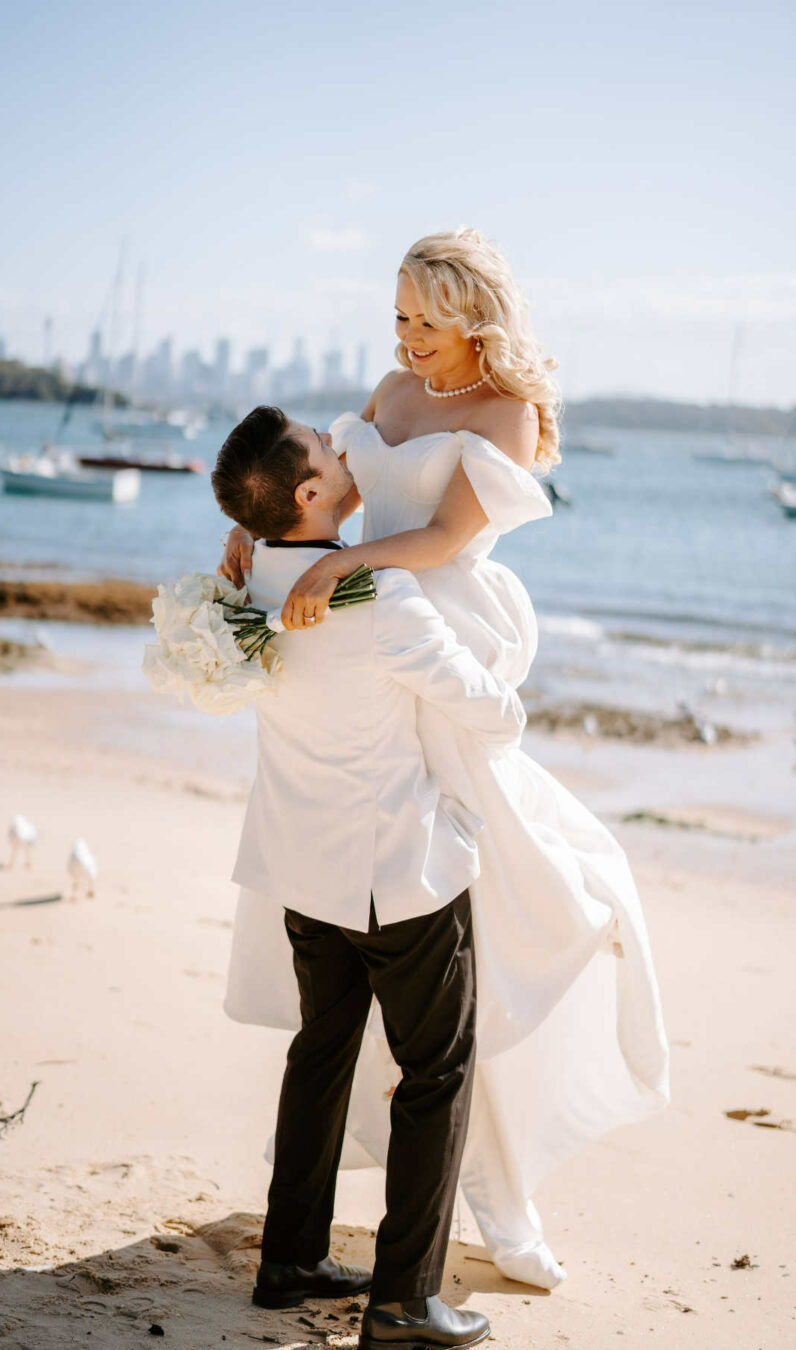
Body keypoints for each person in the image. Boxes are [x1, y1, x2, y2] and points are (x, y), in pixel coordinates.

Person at [220, 228, 670, 1291]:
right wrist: (264, 544)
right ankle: (384, 1223)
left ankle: (496, 1188)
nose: (408, 343)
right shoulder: (388, 388)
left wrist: (344, 573)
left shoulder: (506, 415)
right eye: (398, 322)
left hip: (428, 620)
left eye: (425, 323)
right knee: (373, 906)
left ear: (475, 318)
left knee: (491, 908)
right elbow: (323, 491)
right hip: (367, 624)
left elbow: (432, 536)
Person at [213, 405, 527, 1348]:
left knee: (323, 1048)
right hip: (399, 878)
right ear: (309, 493)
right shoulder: (379, 599)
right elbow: (491, 714)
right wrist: (503, 659)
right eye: (324, 447)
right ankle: (403, 1300)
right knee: (439, 1070)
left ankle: (292, 1257)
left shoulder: (243, 582)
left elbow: (267, 527)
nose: (342, 446)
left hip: (303, 874)